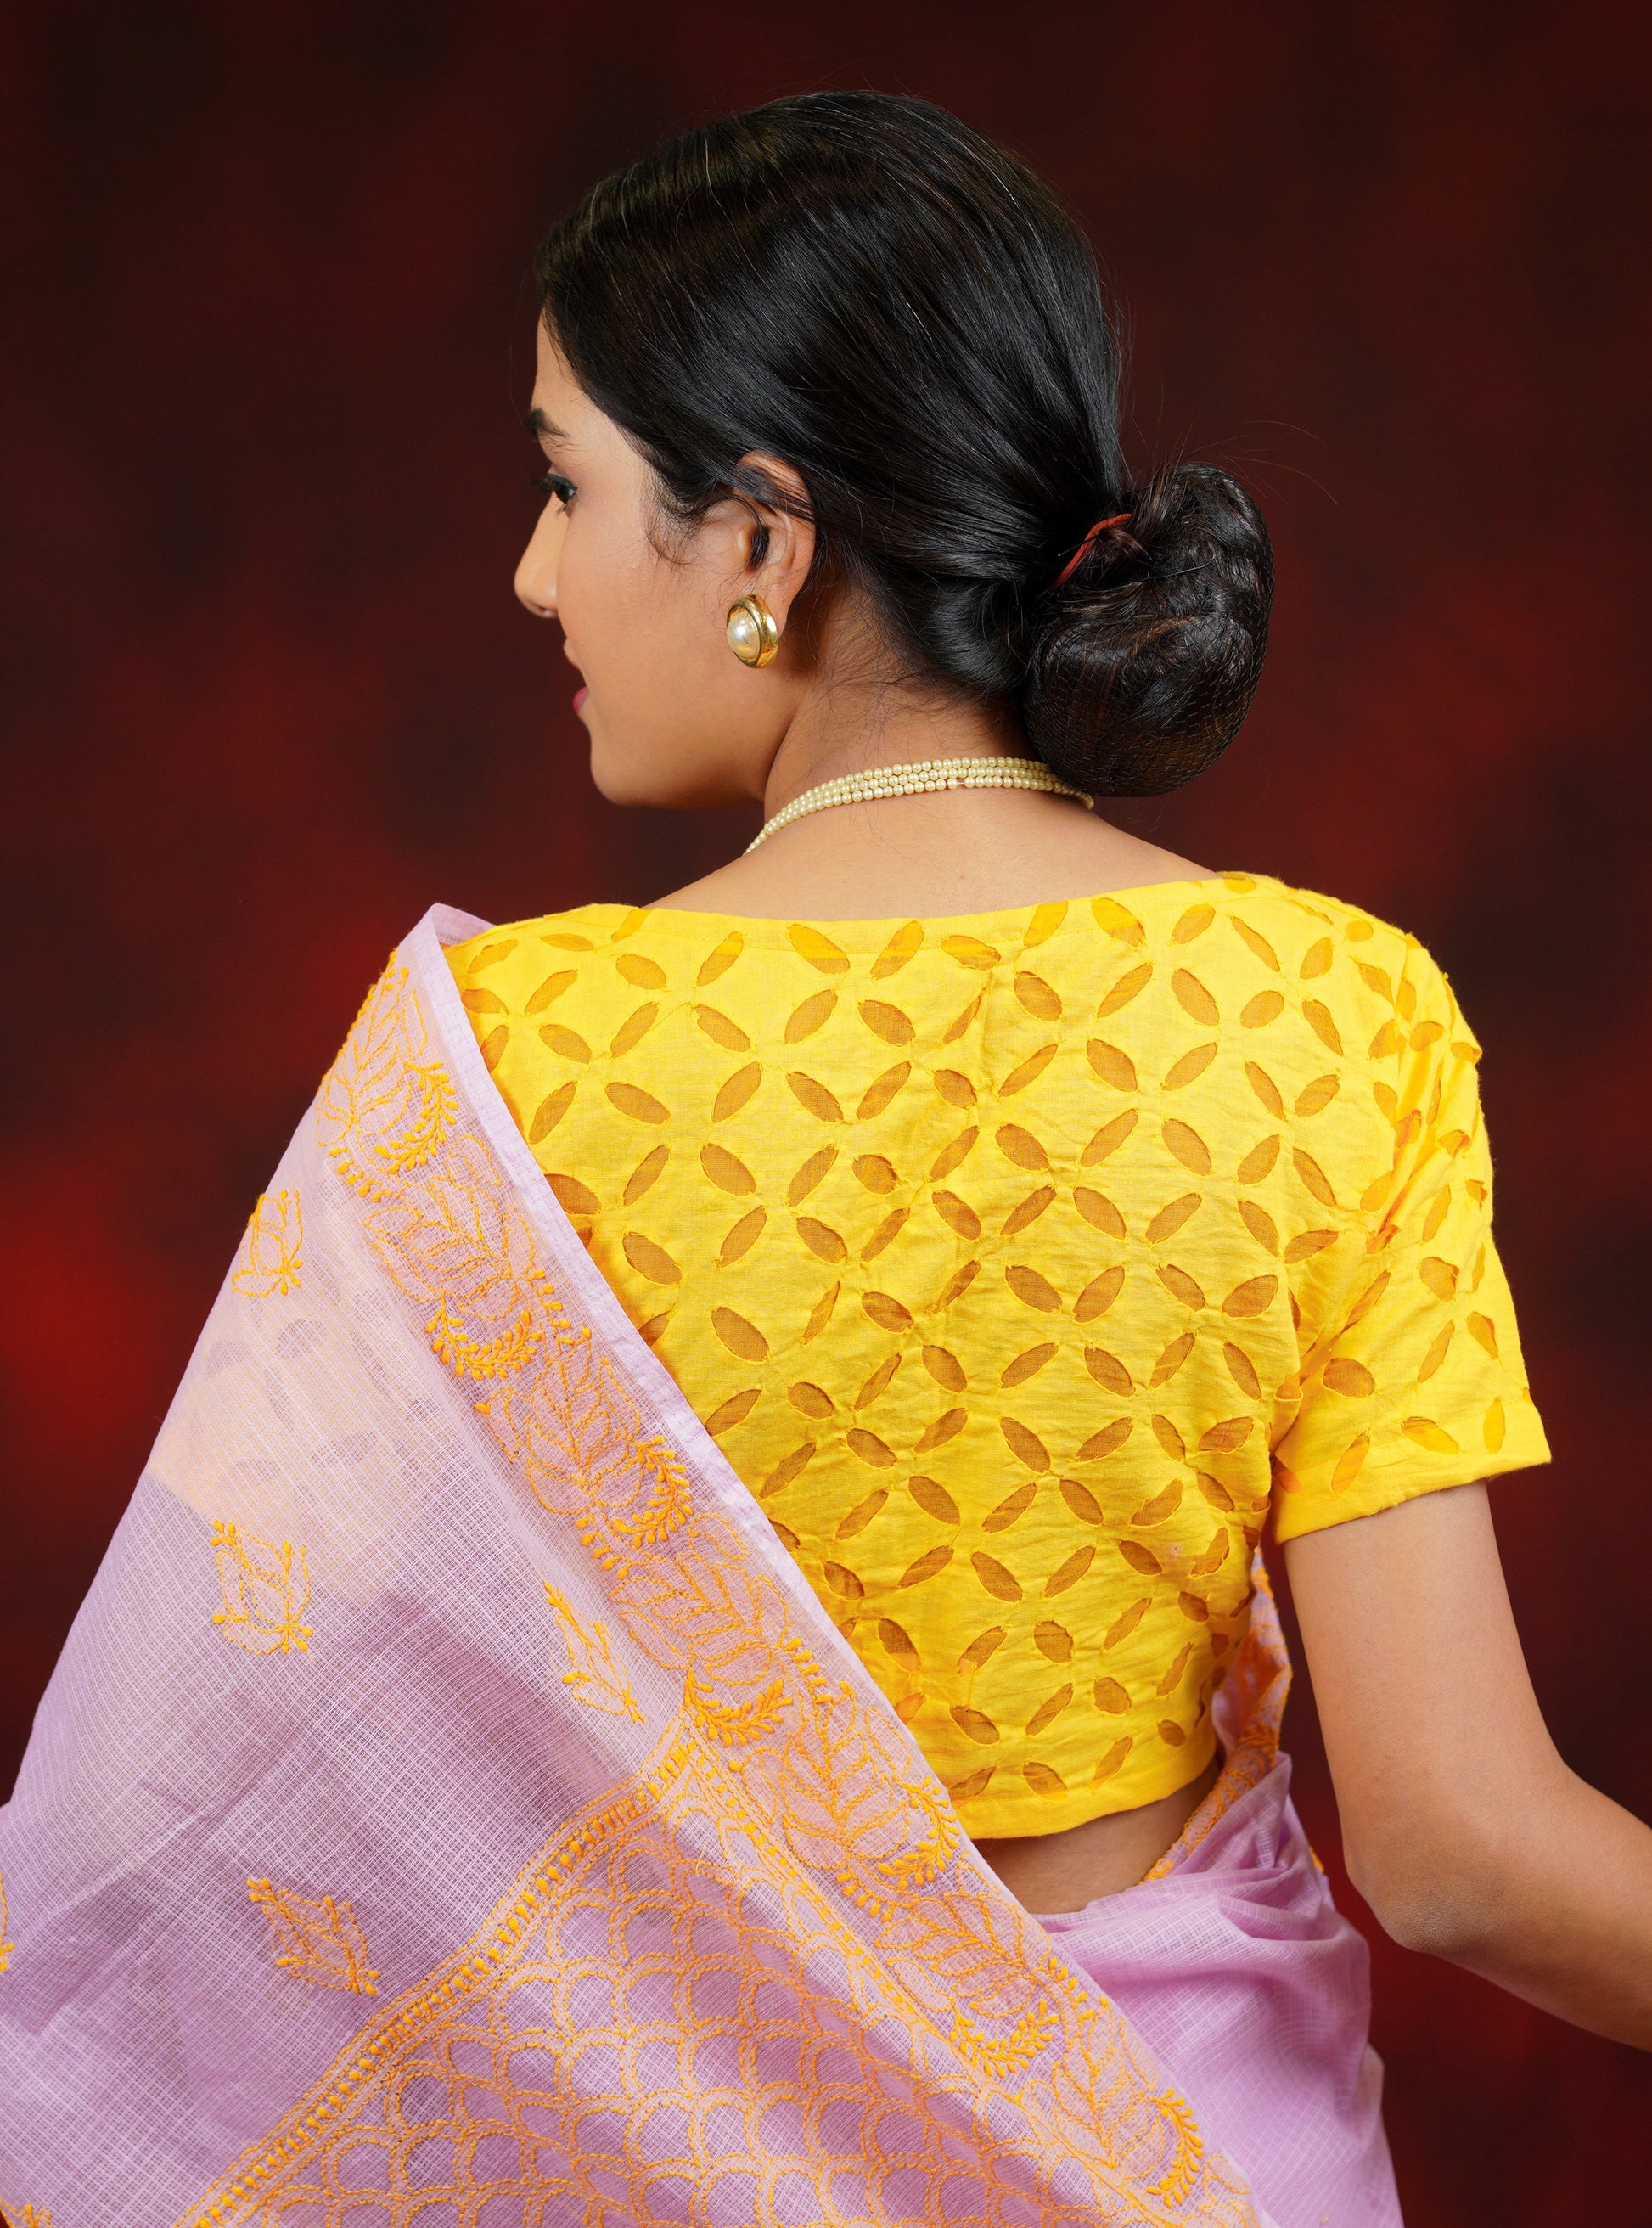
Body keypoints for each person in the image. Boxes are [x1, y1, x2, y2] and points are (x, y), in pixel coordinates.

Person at [1, 90, 1646, 2228]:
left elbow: (200, 1814)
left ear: (765, 546)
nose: (532, 574)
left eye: (566, 486)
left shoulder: (499, 1068)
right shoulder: (1330, 1012)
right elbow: (1460, 1848)